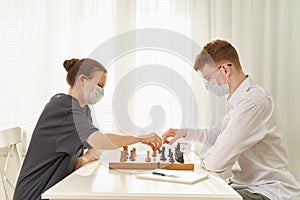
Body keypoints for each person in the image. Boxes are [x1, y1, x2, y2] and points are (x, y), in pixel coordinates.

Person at [162, 40, 300, 200]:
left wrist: (199, 162)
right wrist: (185, 132)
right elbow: (215, 134)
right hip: (245, 185)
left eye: (208, 78)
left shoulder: (252, 103)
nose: (208, 85)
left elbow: (217, 162)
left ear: (225, 70)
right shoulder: (242, 101)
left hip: (266, 191)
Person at [13, 58, 162, 200]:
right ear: (82, 80)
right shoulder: (64, 107)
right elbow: (99, 142)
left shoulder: (83, 110)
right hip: (35, 195)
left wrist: (84, 159)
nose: (101, 91)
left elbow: (95, 148)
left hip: (55, 191)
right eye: (99, 85)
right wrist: (139, 138)